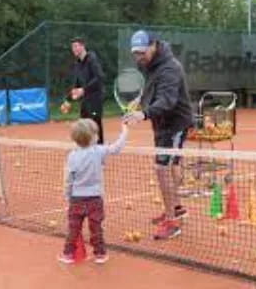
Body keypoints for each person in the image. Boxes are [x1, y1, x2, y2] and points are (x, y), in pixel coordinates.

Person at [123, 30, 194, 240]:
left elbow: (167, 100)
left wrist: (143, 113)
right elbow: (152, 88)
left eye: (142, 52)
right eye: (135, 53)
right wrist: (140, 101)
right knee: (171, 165)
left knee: (161, 168)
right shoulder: (150, 64)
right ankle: (176, 207)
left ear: (153, 45)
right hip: (162, 123)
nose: (138, 57)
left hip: (175, 123)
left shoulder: (170, 68)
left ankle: (172, 222)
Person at [58, 119, 128, 264]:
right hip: (95, 199)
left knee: (73, 228)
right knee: (96, 228)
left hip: (76, 199)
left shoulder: (72, 155)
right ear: (92, 137)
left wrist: (67, 194)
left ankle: (67, 254)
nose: (98, 135)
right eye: (95, 133)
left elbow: (69, 178)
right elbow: (116, 148)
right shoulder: (99, 151)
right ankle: (100, 254)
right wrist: (124, 131)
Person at [60, 37, 105, 144]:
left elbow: (99, 77)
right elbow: (76, 84)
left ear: (82, 46)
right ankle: (86, 150)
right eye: (72, 47)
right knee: (84, 126)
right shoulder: (77, 63)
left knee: (95, 125)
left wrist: (84, 90)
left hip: (95, 99)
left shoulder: (92, 59)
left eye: (76, 46)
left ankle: (100, 150)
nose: (74, 49)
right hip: (85, 100)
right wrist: (68, 100)